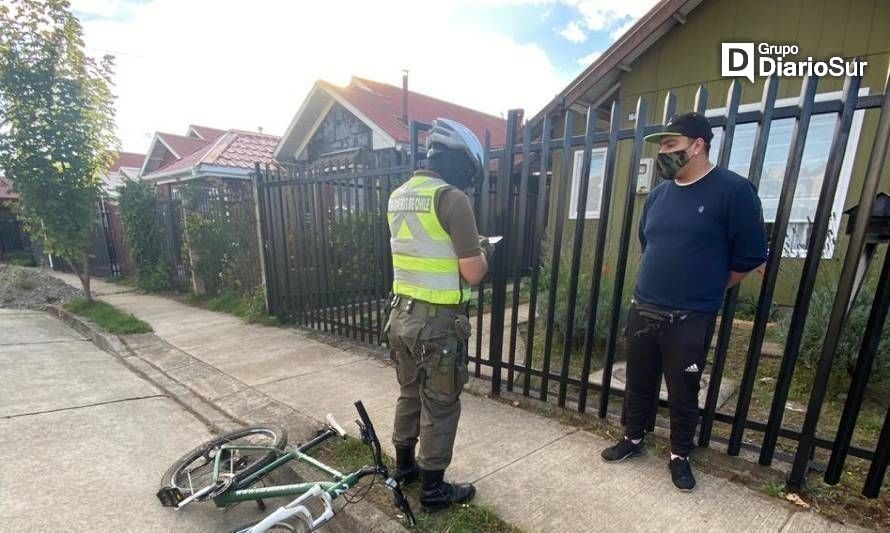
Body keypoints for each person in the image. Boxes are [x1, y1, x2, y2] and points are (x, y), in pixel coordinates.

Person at [600, 112, 768, 492]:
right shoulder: (658, 196)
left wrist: (708, 288)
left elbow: (750, 256)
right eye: (661, 146)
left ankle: (679, 455)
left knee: (684, 389)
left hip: (691, 316)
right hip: (644, 307)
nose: (663, 153)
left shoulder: (733, 191)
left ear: (698, 145)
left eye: (671, 145)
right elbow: (650, 244)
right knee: (638, 382)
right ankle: (634, 438)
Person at [385, 118, 493, 511]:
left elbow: (424, 249)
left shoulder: (399, 195)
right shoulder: (451, 198)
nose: (470, 182)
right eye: (471, 173)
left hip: (400, 317)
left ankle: (403, 469)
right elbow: (473, 271)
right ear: (462, 163)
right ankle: (432, 490)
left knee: (409, 394)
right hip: (436, 325)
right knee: (441, 404)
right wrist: (484, 250)